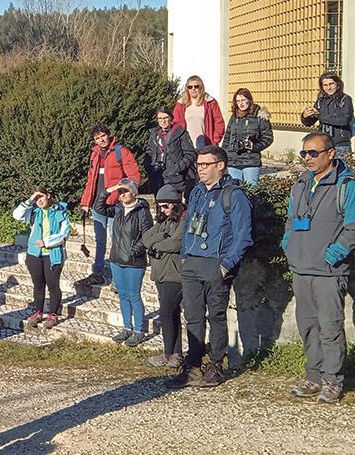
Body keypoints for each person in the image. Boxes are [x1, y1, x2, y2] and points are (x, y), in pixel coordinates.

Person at [281, 132, 355, 403]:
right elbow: (291, 219)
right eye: (304, 153)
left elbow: (352, 227)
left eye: (313, 153)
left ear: (331, 153)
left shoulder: (346, 186)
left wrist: (333, 254)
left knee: (330, 326)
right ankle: (313, 377)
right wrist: (288, 244)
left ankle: (332, 381)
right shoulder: (300, 184)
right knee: (308, 325)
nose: (307, 158)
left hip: (328, 271)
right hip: (301, 267)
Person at [172, 146, 253, 389]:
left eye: (205, 165)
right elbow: (188, 225)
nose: (200, 169)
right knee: (193, 316)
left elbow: (243, 236)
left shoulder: (234, 195)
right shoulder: (197, 192)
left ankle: (216, 365)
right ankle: (193, 365)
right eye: (198, 165)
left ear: (220, 165)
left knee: (216, 316)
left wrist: (226, 266)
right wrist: (185, 256)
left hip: (216, 263)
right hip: (192, 262)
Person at [79, 124, 141, 286]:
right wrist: (85, 202)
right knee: (100, 240)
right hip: (98, 204)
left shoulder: (121, 152)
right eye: (97, 138)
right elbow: (90, 180)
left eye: (103, 136)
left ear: (108, 135)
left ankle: (118, 277)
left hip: (115, 204)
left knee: (117, 240)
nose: (101, 140)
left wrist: (127, 196)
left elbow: (133, 176)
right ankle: (98, 273)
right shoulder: (95, 154)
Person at [97, 178, 153, 347]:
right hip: (116, 260)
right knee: (122, 295)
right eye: (120, 192)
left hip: (134, 262)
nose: (122, 194)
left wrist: (132, 252)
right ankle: (127, 327)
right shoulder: (118, 209)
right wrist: (110, 189)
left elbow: (147, 236)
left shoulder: (142, 211)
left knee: (134, 295)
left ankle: (139, 330)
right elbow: (98, 207)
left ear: (134, 192)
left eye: (125, 191)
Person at [12, 186, 71, 329]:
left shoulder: (60, 211)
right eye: (36, 198)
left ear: (48, 195)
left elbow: (64, 233)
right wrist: (30, 199)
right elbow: (17, 215)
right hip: (34, 254)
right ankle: (38, 312)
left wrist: (47, 242)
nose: (39, 200)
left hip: (53, 254)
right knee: (38, 285)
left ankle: (53, 314)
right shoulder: (34, 212)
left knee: (53, 285)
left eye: (41, 197)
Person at [141, 185, 185, 368]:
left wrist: (156, 245)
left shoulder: (183, 220)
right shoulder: (163, 222)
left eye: (166, 206)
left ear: (175, 204)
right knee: (172, 314)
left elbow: (175, 244)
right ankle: (175, 353)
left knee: (166, 313)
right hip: (160, 273)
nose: (163, 210)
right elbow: (145, 239)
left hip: (175, 274)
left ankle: (169, 353)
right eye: (160, 207)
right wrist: (162, 236)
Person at [221, 88, 274, 186]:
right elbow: (227, 138)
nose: (241, 103)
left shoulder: (260, 116)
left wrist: (254, 146)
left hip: (251, 160)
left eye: (243, 100)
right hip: (233, 161)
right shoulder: (234, 116)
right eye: (238, 101)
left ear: (249, 100)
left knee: (251, 190)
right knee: (233, 190)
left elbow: (268, 138)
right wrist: (223, 156)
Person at [144, 107, 196, 196]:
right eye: (160, 118)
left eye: (165, 118)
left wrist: (176, 168)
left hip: (177, 176)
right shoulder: (154, 135)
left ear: (171, 118)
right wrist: (149, 167)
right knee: (159, 201)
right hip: (158, 176)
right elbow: (150, 152)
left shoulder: (180, 133)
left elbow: (190, 154)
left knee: (174, 202)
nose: (163, 121)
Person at [302, 71, 353, 155]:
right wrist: (305, 116)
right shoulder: (321, 101)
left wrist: (319, 115)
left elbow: (344, 120)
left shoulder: (345, 99)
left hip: (341, 146)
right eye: (325, 85)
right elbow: (309, 123)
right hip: (323, 145)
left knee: (341, 164)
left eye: (331, 84)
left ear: (337, 84)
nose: (329, 88)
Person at [172, 75, 225, 149]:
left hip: (206, 145)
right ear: (187, 88)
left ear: (201, 87)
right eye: (190, 87)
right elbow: (176, 124)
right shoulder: (181, 104)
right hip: (186, 146)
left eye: (196, 86)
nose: (193, 89)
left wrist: (214, 141)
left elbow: (219, 124)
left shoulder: (210, 103)